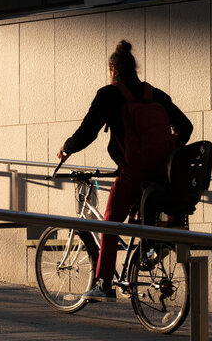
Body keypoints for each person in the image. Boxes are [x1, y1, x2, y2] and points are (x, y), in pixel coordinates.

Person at [56, 40, 193, 302]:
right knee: (140, 210)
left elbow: (88, 131)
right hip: (161, 173)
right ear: (134, 69)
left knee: (109, 223)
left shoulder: (109, 95)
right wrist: (168, 149)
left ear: (112, 69)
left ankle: (104, 284)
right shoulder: (156, 95)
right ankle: (151, 247)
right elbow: (186, 126)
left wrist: (66, 148)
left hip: (133, 172)